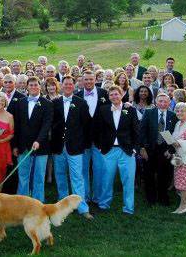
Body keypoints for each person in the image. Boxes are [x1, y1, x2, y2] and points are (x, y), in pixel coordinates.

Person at [51, 76, 93, 219]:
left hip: (75, 146)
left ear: (74, 86)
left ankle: (82, 208)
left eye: (70, 84)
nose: (68, 86)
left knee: (77, 177)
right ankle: (64, 205)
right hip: (58, 146)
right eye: (66, 84)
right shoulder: (55, 102)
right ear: (61, 86)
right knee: (60, 175)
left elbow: (87, 126)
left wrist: (84, 145)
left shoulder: (81, 103)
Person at [95, 85, 139, 214]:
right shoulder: (103, 110)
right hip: (109, 150)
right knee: (106, 179)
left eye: (116, 94)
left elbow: (136, 130)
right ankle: (104, 204)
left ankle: (128, 208)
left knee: (128, 180)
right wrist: (99, 146)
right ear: (109, 97)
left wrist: (135, 149)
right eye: (111, 95)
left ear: (121, 95)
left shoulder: (130, 110)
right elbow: (98, 130)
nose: (114, 96)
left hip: (127, 150)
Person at [11, 76, 53, 202]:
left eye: (36, 85)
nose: (33, 87)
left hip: (40, 147)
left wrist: (38, 141)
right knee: (23, 175)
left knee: (38, 176)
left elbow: (47, 125)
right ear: (27, 87)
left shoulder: (47, 104)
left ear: (40, 86)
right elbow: (16, 126)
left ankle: (37, 202)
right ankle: (22, 202)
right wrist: (15, 146)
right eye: (31, 85)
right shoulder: (20, 102)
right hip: (22, 146)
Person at [75, 70, 110, 205]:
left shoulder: (104, 94)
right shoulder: (77, 96)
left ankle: (98, 197)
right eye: (86, 80)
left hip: (99, 140)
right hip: (82, 140)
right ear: (82, 81)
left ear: (95, 80)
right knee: (83, 170)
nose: (88, 82)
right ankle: (84, 197)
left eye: (91, 79)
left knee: (99, 169)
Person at [139, 93, 177, 205]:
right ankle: (150, 198)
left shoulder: (173, 115)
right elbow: (142, 131)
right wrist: (142, 148)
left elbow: (175, 134)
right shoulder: (149, 112)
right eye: (160, 101)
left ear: (169, 103)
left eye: (165, 101)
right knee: (149, 174)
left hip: (165, 150)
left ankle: (163, 196)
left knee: (164, 174)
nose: (163, 103)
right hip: (150, 148)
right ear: (156, 102)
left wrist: (170, 150)